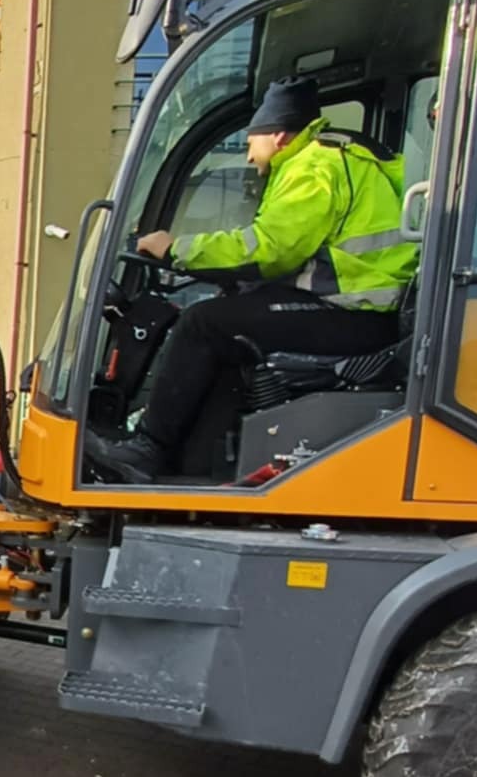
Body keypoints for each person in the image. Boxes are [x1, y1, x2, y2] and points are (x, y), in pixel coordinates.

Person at [88, 75, 419, 482]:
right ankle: (191, 468)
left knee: (204, 322)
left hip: (356, 313)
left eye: (249, 141)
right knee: (229, 332)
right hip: (363, 308)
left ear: (277, 135)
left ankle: (148, 449)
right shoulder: (340, 157)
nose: (247, 155)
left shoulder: (314, 166)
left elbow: (271, 248)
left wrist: (176, 249)